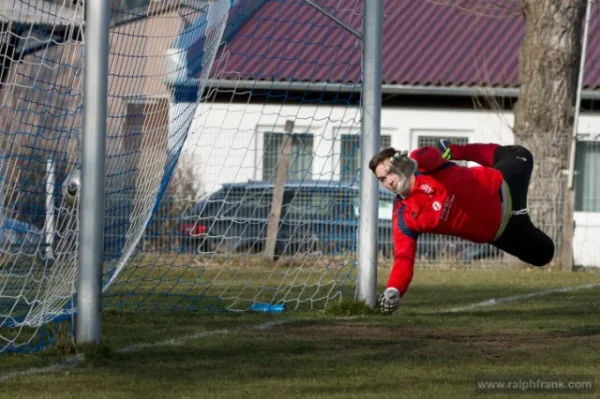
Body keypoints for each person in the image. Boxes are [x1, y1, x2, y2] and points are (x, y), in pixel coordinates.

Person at [369, 141, 555, 315]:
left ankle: (454, 148)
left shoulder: (424, 165)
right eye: (382, 179)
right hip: (505, 231)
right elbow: (403, 258)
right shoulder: (403, 214)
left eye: (390, 172)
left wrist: (414, 162)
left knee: (521, 154)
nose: (389, 182)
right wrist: (394, 290)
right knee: (545, 254)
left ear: (400, 162)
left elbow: (430, 155)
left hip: (507, 185)